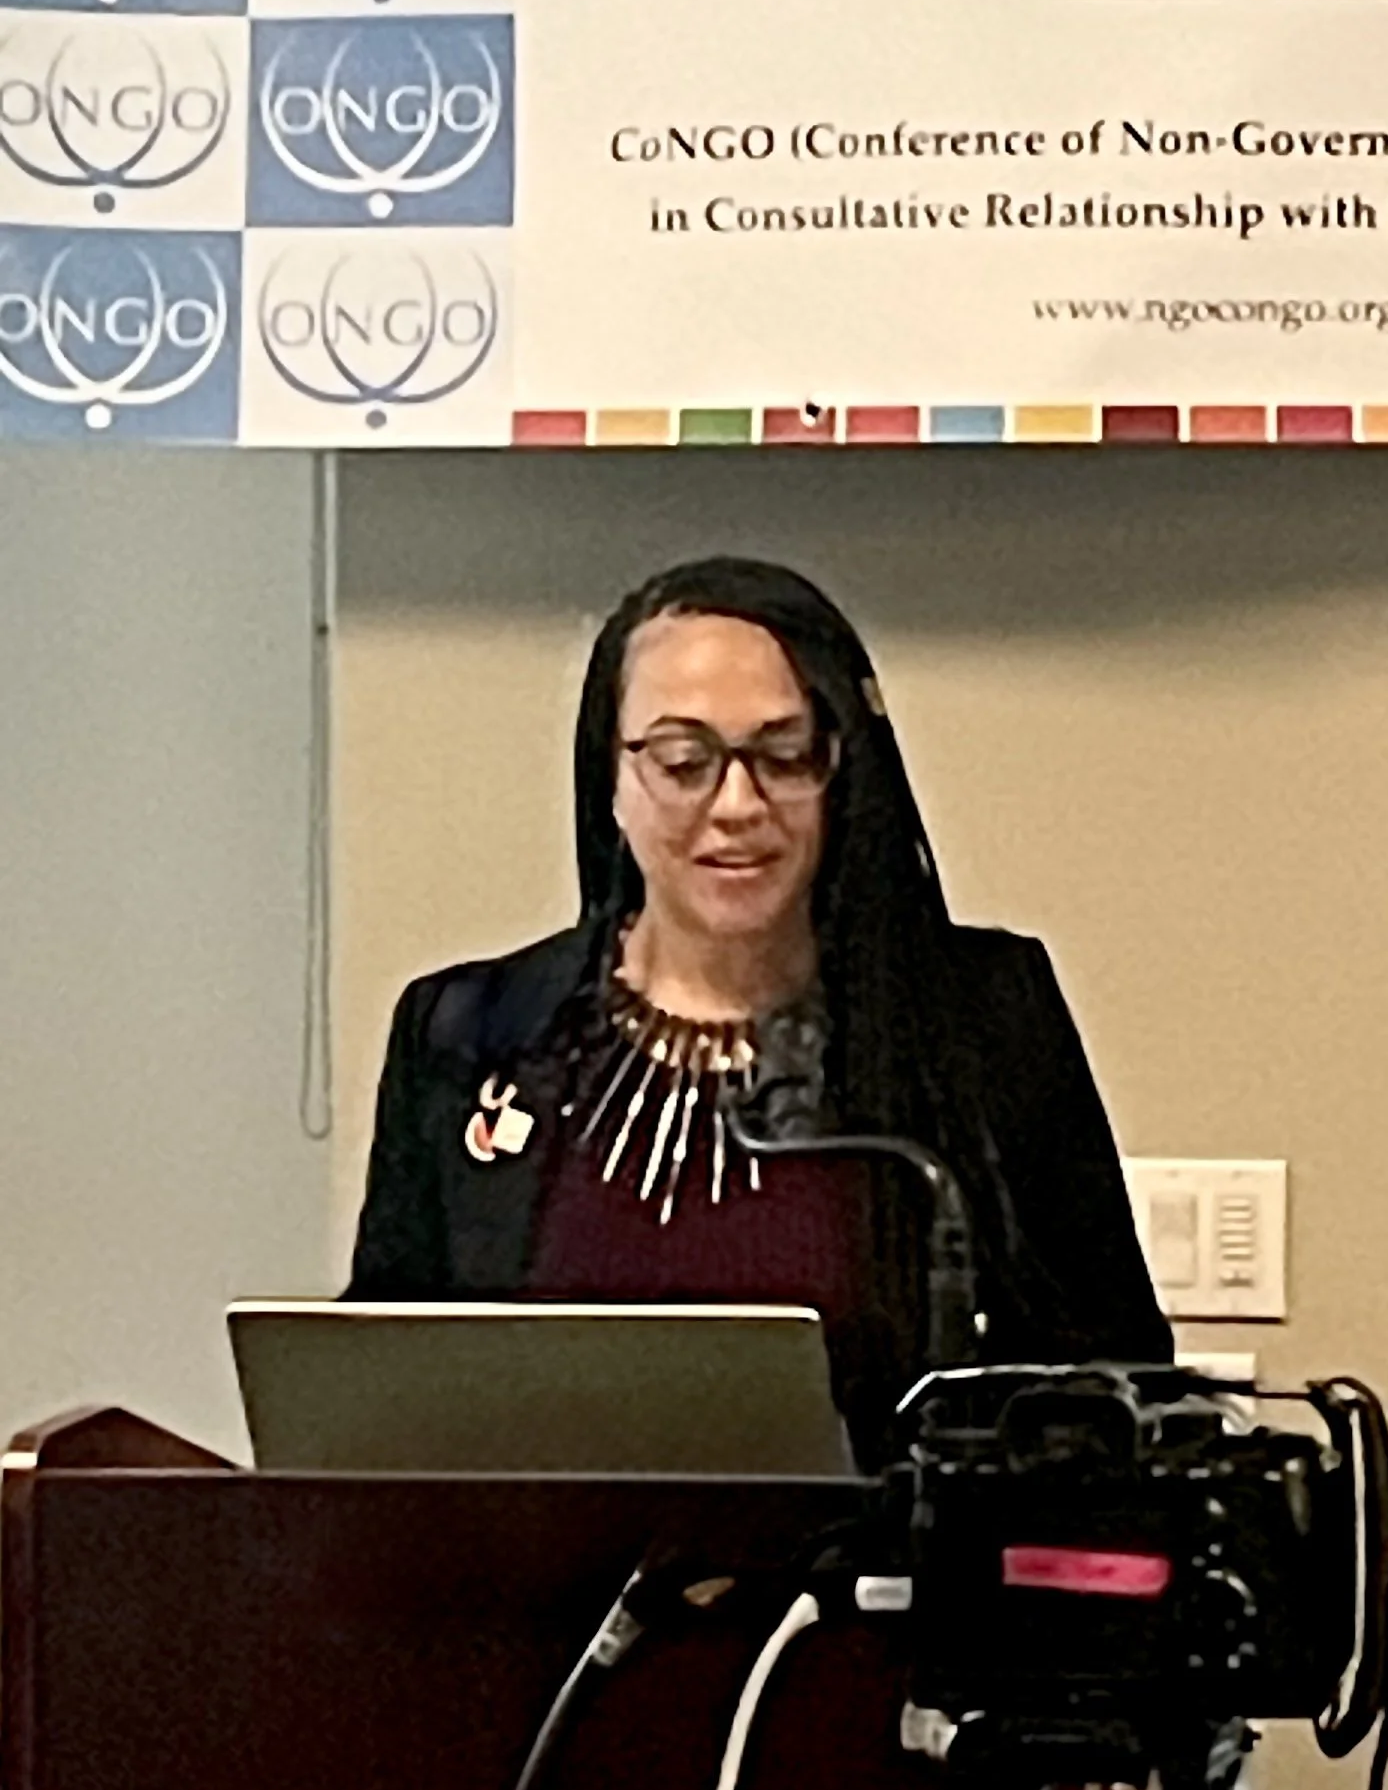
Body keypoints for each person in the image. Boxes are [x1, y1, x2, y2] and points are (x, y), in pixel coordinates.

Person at [347, 554, 1171, 1451]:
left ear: (840, 770)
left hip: (884, 1545)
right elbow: (383, 1400)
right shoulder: (468, 1031)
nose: (738, 804)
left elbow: (1111, 1385)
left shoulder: (979, 1019)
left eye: (784, 756)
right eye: (684, 761)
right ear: (611, 779)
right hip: (539, 1546)